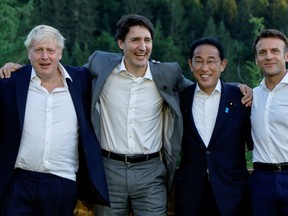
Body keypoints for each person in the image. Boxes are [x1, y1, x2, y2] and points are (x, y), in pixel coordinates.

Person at [0, 14, 252, 216]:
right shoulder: (100, 65)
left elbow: (202, 84)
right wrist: (21, 70)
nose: (142, 47)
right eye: (135, 40)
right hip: (108, 170)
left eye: (147, 40)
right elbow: (60, 71)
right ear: (121, 43)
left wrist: (235, 88)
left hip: (151, 172)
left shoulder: (167, 73)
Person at [0, 25, 109, 216]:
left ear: (60, 53)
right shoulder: (11, 81)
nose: (44, 57)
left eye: (50, 50)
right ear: (29, 53)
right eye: (38, 50)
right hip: (18, 182)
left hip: (62, 184)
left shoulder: (81, 81)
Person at [174, 37, 253, 216]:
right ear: (190, 64)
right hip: (191, 194)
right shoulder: (181, 99)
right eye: (198, 61)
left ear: (222, 65)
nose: (204, 68)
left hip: (231, 194)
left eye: (211, 61)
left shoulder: (241, 99)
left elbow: (253, 142)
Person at [250, 29, 288, 215]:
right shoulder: (252, 95)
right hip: (261, 180)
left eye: (275, 51)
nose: (269, 57)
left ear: (286, 56)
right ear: (257, 59)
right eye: (262, 52)